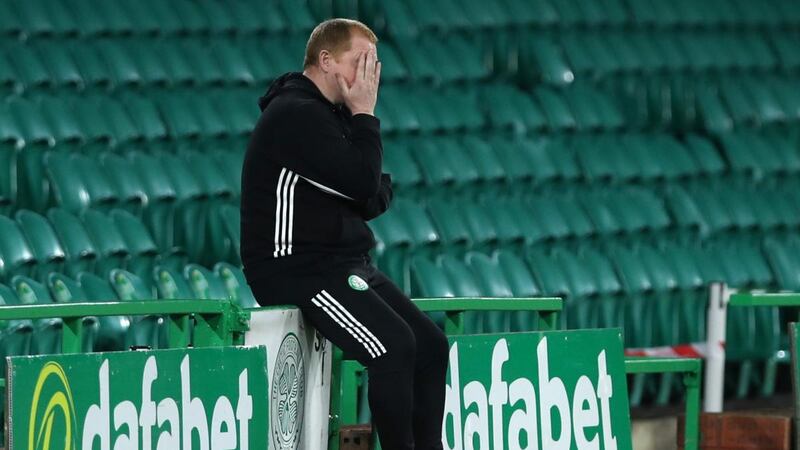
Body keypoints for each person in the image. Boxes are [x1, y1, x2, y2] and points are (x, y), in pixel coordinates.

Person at [240, 18, 450, 450]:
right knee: (391, 349)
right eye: (361, 62)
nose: (369, 75)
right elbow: (362, 184)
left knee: (430, 346)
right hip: (294, 267)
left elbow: (372, 192)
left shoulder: (327, 116)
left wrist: (363, 167)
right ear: (326, 60)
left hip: (342, 263)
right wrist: (366, 117)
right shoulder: (295, 115)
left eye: (375, 64)